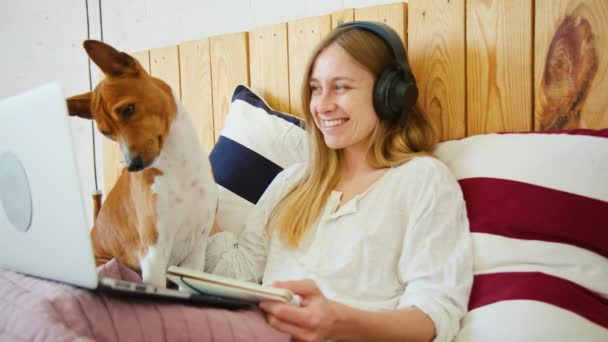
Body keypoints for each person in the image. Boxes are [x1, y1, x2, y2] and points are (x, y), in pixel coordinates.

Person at [206, 21, 472, 342]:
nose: (322, 105)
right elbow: (237, 273)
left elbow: (435, 315)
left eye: (341, 87)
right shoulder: (292, 181)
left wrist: (340, 323)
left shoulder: (421, 180)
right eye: (316, 88)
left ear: (389, 94)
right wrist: (199, 198)